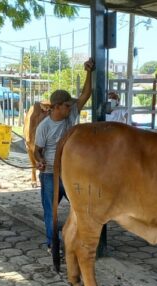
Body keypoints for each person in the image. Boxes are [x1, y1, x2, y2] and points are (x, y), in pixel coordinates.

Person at [34, 57, 95, 250]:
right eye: (67, 105)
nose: (71, 107)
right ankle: (53, 244)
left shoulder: (72, 113)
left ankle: (82, 240)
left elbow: (86, 93)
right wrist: (40, 161)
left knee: (83, 207)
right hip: (51, 173)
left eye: (70, 105)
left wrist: (88, 72)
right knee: (50, 211)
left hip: (71, 173)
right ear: (56, 107)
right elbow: (37, 150)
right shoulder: (44, 126)